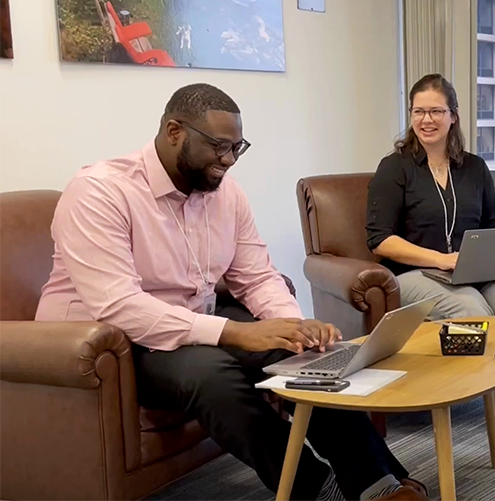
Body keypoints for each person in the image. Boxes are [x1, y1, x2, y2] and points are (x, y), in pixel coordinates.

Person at [36, 84, 428, 501]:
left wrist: (292, 325)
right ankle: (316, 489)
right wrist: (234, 332)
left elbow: (255, 275)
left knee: (299, 355)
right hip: (112, 343)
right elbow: (118, 305)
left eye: (237, 148)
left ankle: (378, 485)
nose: (228, 161)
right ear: (174, 131)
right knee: (211, 375)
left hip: (192, 320)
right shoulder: (100, 191)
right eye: (219, 147)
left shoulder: (225, 193)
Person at [366, 73, 495, 450]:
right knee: (472, 308)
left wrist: (492, 257)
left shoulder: (474, 168)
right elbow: (380, 240)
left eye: (436, 111)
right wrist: (443, 260)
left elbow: (493, 226)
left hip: (471, 270)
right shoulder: (395, 168)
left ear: (454, 116)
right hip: (415, 274)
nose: (426, 120)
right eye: (419, 111)